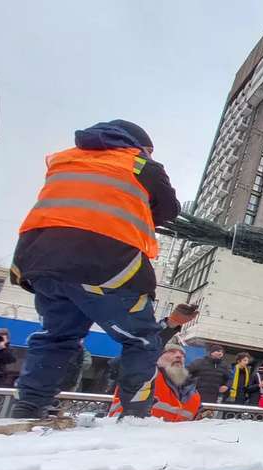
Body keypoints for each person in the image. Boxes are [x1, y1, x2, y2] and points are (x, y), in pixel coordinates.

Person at [10, 120, 179, 419]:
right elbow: (168, 210)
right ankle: (135, 414)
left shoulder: (63, 158)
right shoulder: (142, 165)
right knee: (141, 339)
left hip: (40, 260)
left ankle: (27, 407)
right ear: (142, 146)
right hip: (107, 263)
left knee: (55, 336)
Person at [108, 341, 200, 422]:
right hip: (128, 434)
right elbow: (125, 361)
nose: (179, 356)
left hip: (171, 440)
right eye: (171, 352)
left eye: (182, 354)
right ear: (156, 357)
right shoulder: (143, 375)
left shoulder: (193, 392)